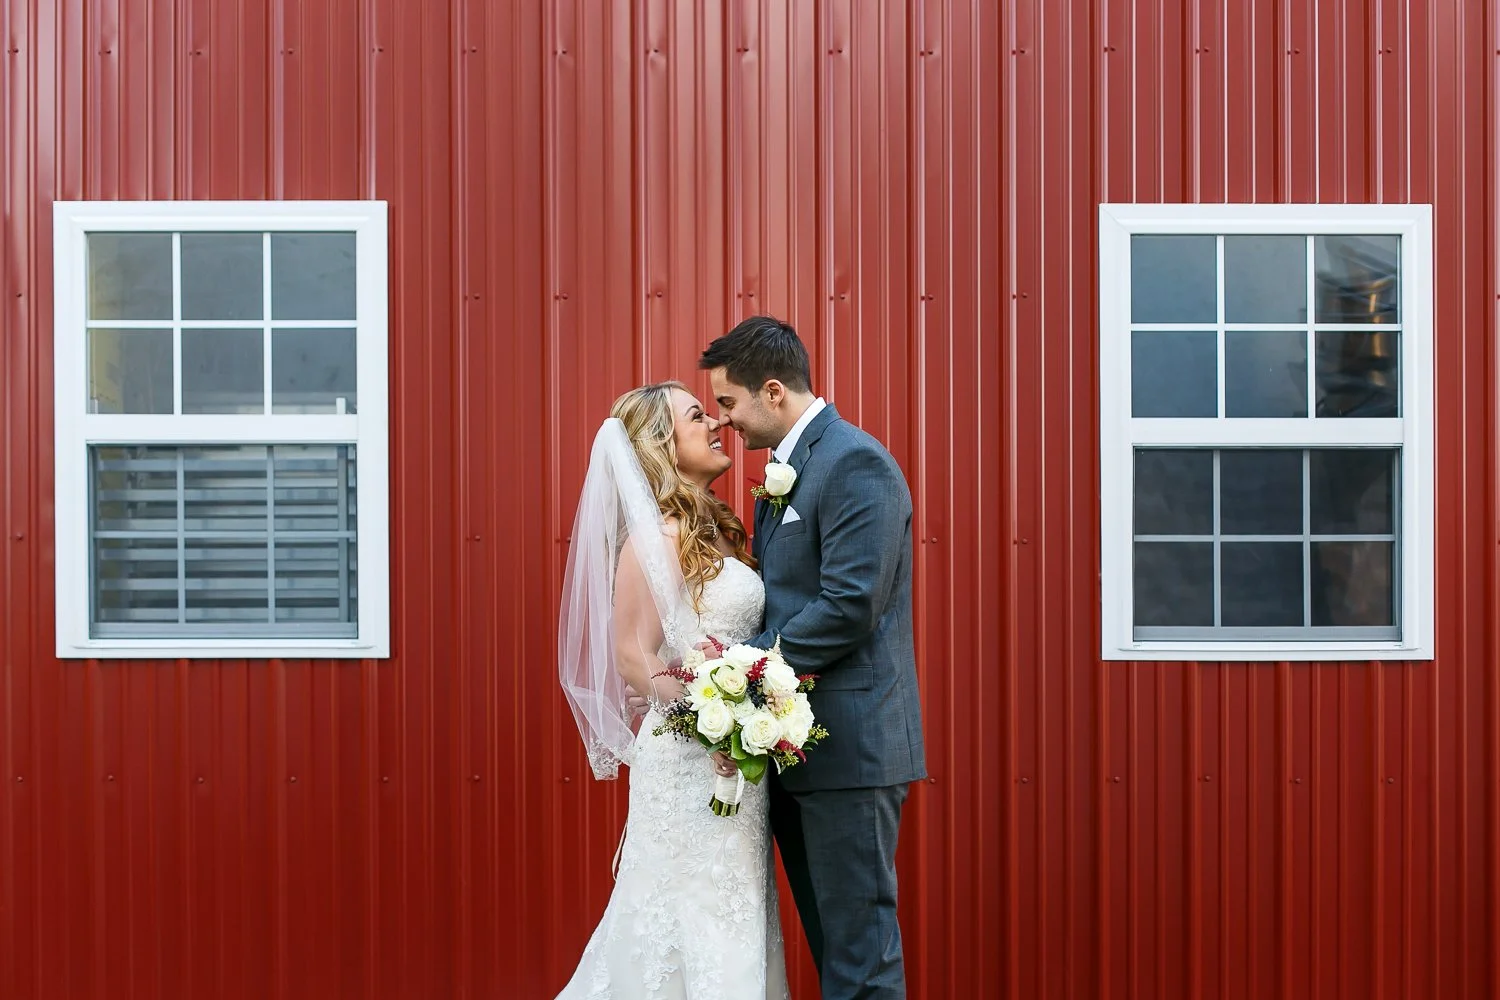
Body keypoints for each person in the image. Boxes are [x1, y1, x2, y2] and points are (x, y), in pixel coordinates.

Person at [698, 317, 926, 999]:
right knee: (834, 946)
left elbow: (851, 603)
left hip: (850, 747)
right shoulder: (789, 471)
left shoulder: (854, 462)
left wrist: (741, 670)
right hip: (797, 749)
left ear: (773, 391)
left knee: (861, 955)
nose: (724, 419)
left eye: (729, 402)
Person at [556, 382, 789, 999]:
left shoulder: (717, 531)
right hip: (691, 762)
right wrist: (711, 713)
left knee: (732, 911)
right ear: (663, 445)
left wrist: (741, 714)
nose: (716, 424)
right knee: (684, 916)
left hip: (736, 761)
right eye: (697, 416)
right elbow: (633, 656)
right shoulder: (655, 538)